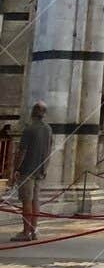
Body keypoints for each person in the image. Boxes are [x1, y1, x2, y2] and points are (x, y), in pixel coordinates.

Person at [11, 103, 53, 241]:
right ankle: (34, 231)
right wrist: (45, 168)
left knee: (27, 201)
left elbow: (22, 151)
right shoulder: (48, 129)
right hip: (40, 170)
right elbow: (49, 150)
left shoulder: (29, 129)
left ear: (33, 112)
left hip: (27, 170)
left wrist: (16, 168)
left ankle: (25, 232)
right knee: (35, 201)